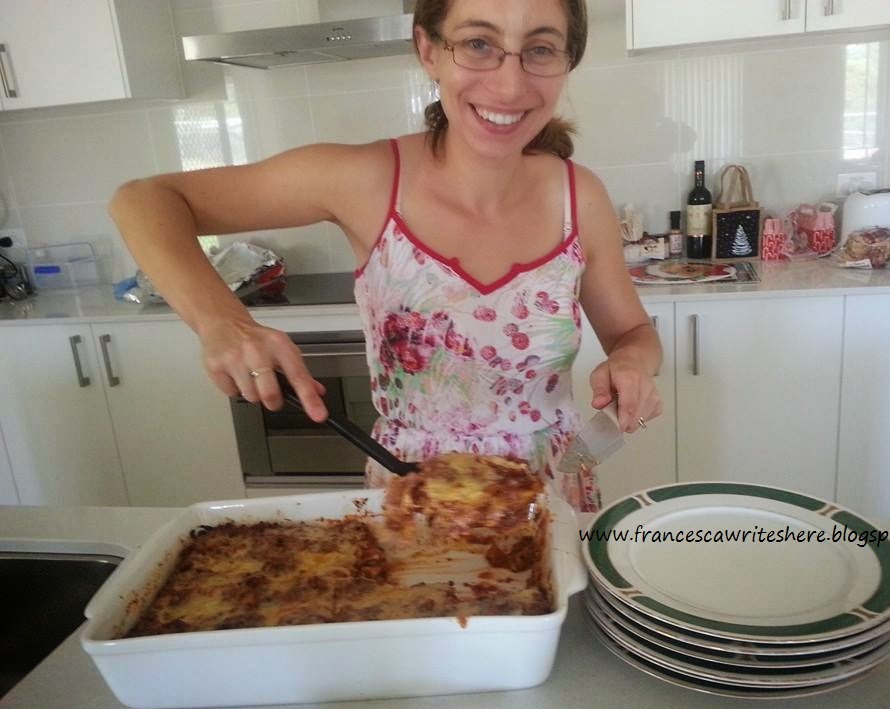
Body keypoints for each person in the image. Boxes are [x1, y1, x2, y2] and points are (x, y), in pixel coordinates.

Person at [108, 0, 663, 511]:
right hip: (411, 498)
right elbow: (145, 199)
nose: (509, 83)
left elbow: (632, 332)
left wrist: (634, 362)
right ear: (428, 50)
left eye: (540, 49)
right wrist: (222, 322)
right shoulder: (367, 181)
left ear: (566, 63)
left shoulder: (579, 197)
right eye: (478, 43)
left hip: (554, 495)